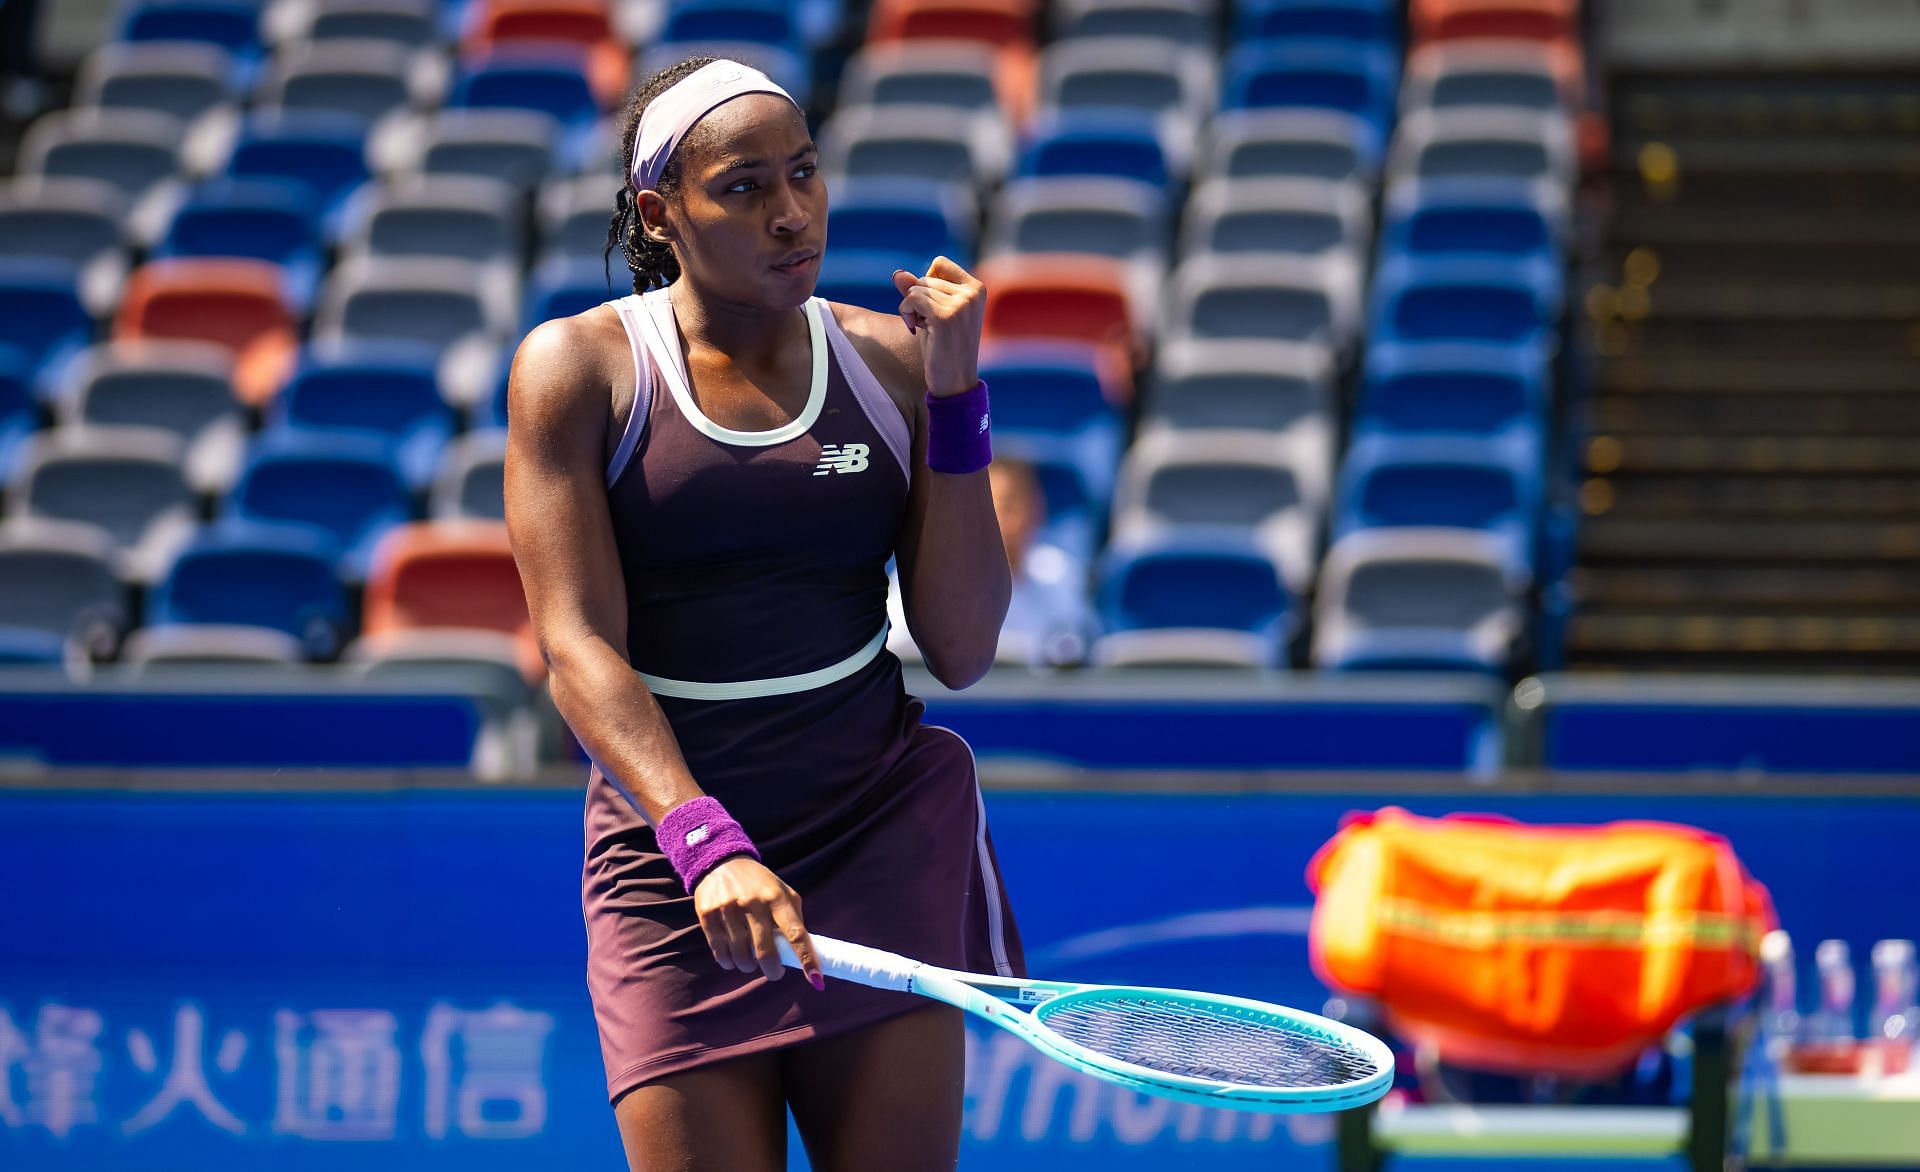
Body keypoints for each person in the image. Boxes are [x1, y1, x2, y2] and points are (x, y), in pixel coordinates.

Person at [503, 56, 1026, 1172]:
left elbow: (964, 647)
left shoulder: (889, 361)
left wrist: (958, 402)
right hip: (671, 848)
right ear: (661, 213)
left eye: (804, 174)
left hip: (874, 824)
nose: (792, 214)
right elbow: (575, 644)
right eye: (744, 188)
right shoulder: (579, 369)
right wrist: (701, 836)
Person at [889, 457, 1096, 668]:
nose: (1015, 519)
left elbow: (1085, 651)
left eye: (1022, 505)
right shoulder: (924, 574)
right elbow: (899, 655)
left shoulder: (1059, 572)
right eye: (1004, 506)